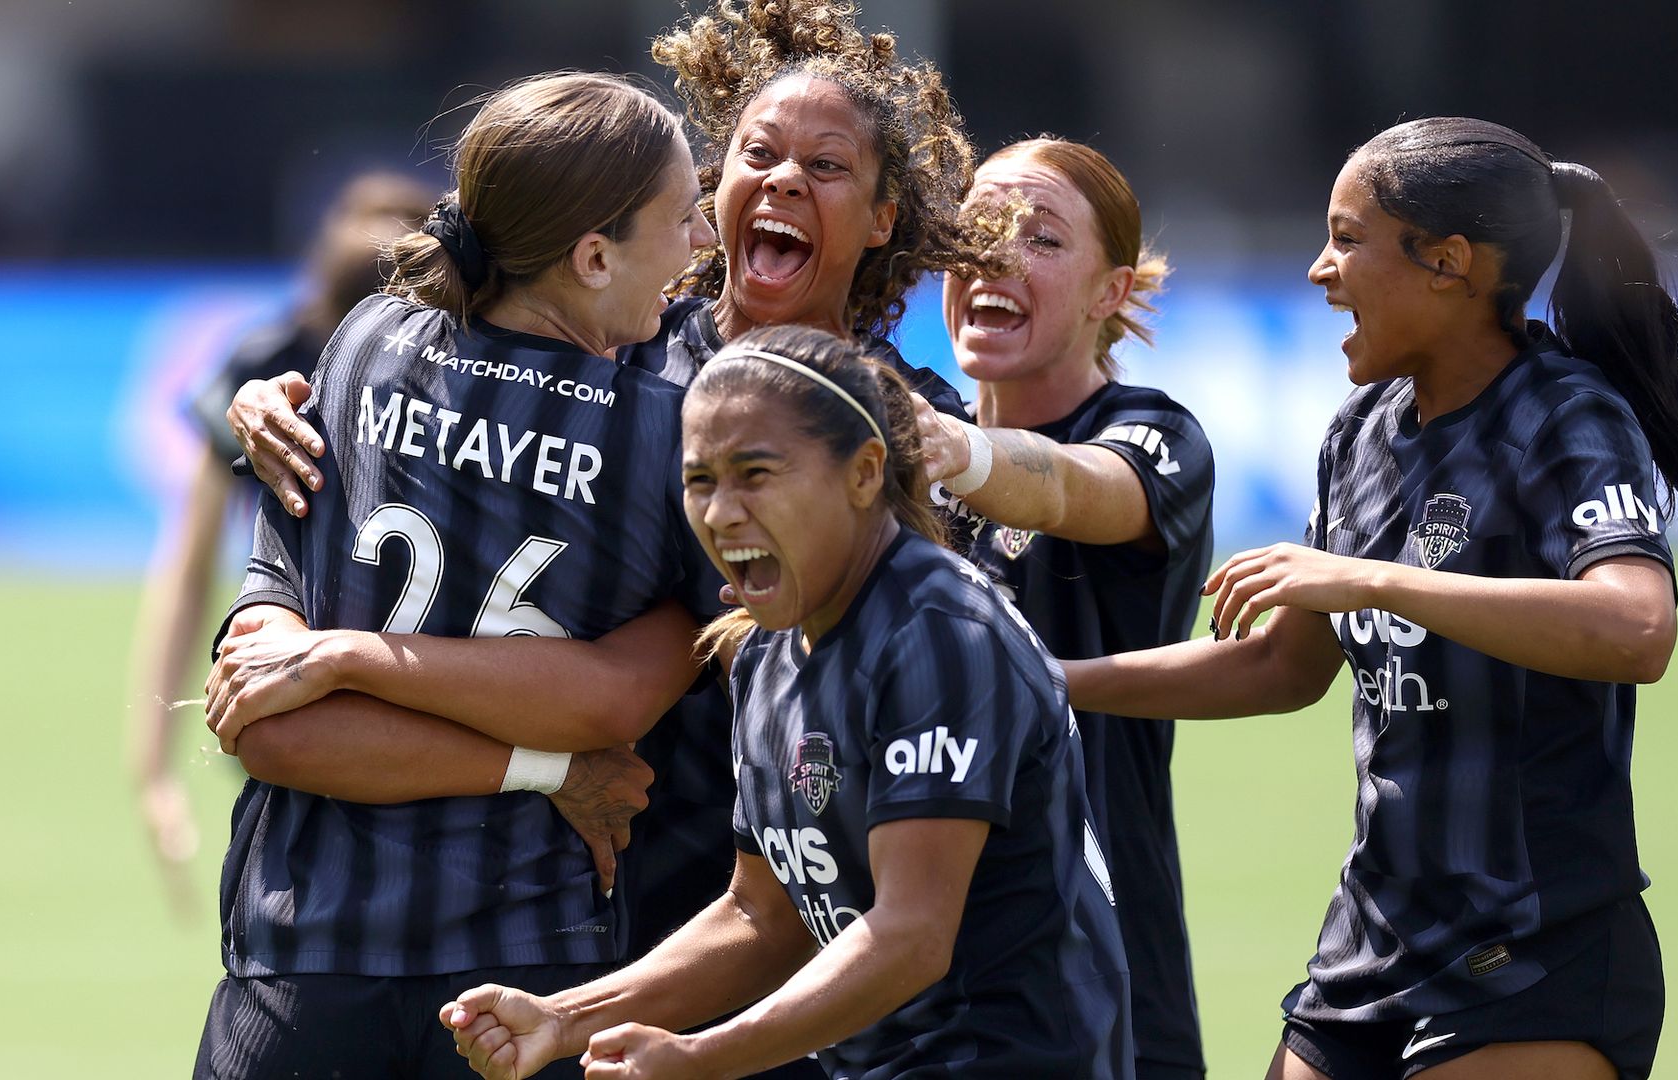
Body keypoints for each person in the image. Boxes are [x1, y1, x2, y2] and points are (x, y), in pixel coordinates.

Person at [213, 0, 1013, 1005]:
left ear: (884, 218)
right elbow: (436, 376)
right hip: (591, 882)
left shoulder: (902, 426)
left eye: (827, 167)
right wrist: (279, 402)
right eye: (759, 154)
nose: (782, 181)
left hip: (802, 887)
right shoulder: (622, 346)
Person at [1063, 118, 1678, 1080]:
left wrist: (1372, 578)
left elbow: (1636, 626)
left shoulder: (1564, 415)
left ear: (1449, 263)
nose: (1320, 270)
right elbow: (1284, 664)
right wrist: (1046, 678)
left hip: (1536, 947)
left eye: (1348, 238)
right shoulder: (1360, 430)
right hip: (1370, 943)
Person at [191, 71, 729, 1080]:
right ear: (595, 254)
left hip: (301, 959)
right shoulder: (668, 427)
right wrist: (550, 766)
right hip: (526, 981)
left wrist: (349, 658)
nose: (700, 244)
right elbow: (612, 703)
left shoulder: (363, 347)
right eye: (681, 218)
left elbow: (273, 722)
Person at [440, 325, 1135, 1080]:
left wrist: (699, 1059)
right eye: (700, 479)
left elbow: (911, 936)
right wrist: (563, 1018)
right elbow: (762, 918)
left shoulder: (938, 634)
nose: (721, 512)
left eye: (756, 473)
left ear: (865, 473)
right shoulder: (766, 649)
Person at [913, 137, 1213, 1079]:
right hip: (915, 983)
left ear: (1110, 292)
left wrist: (958, 453)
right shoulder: (914, 444)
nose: (998, 258)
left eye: (1039, 238)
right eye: (980, 231)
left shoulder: (1154, 436)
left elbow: (1075, 490)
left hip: (1101, 980)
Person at [124, 170, 430, 916]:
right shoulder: (267, 366)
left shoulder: (469, 369)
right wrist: (153, 768)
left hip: (419, 680)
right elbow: (189, 566)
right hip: (299, 684)